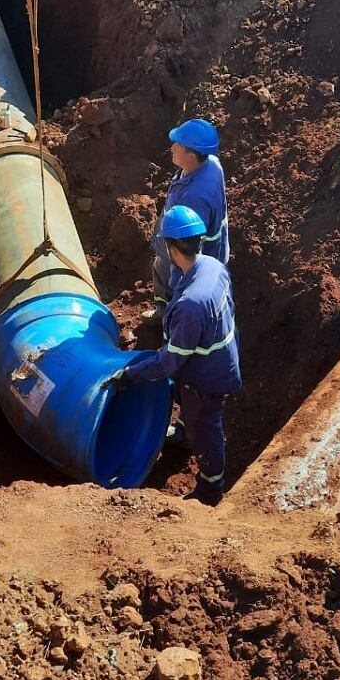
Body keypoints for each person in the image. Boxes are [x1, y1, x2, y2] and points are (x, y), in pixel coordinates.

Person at [116, 205, 241, 506]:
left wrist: (130, 375)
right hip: (218, 359)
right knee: (189, 409)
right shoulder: (212, 266)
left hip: (206, 377)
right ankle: (184, 436)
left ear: (171, 248)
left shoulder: (190, 304)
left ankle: (211, 488)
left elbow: (169, 362)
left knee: (206, 429)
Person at [150, 117, 229, 314]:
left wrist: (179, 283)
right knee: (160, 269)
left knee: (175, 291)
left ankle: (167, 319)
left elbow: (187, 250)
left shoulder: (194, 198)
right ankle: (162, 310)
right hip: (176, 242)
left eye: (179, 145)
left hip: (182, 255)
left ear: (192, 156)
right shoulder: (211, 164)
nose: (173, 147)